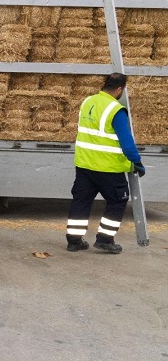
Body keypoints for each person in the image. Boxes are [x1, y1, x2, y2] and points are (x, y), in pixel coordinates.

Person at [66, 72, 145, 255]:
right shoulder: (115, 110)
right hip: (108, 167)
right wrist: (137, 162)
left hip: (85, 164)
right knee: (118, 200)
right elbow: (127, 144)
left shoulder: (88, 102)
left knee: (81, 201)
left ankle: (74, 241)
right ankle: (105, 240)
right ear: (119, 89)